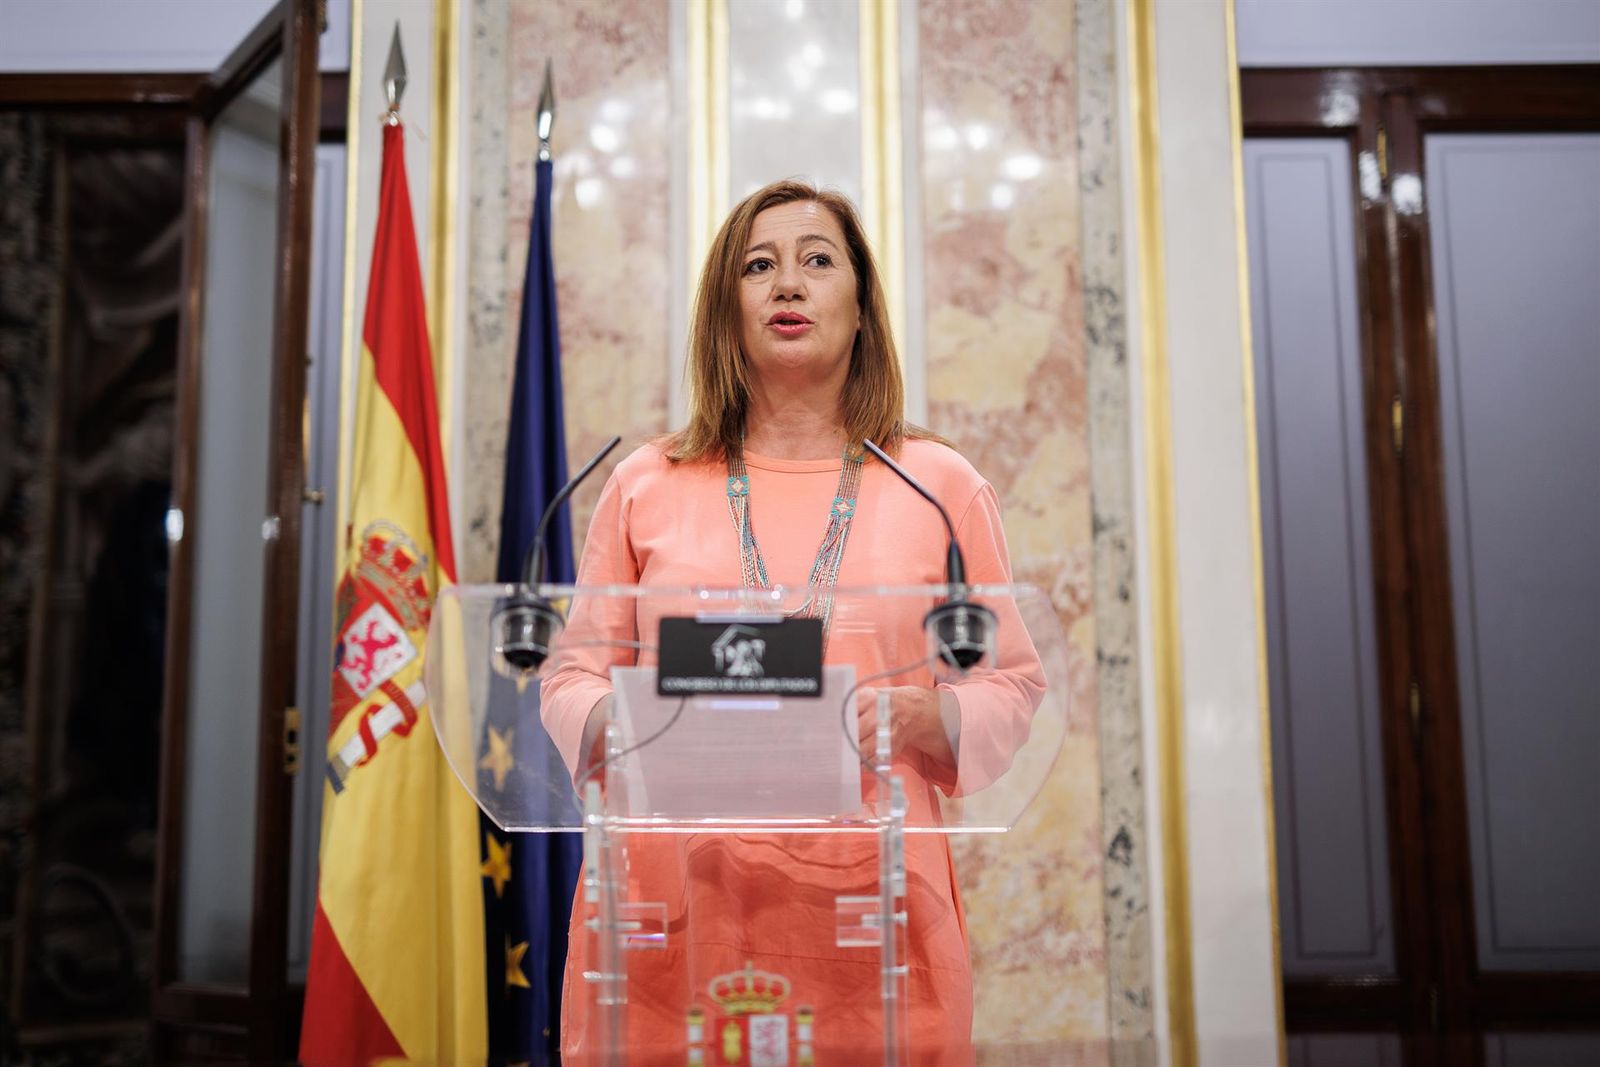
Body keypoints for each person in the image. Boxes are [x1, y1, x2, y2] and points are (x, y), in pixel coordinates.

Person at [540, 179, 1044, 1062]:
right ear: (724, 309)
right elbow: (570, 676)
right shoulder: (648, 482)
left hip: (871, 919)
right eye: (758, 265)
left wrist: (936, 715)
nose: (787, 284)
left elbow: (1010, 679)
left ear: (861, 306)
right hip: (672, 919)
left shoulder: (938, 484)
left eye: (817, 260)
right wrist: (622, 719)